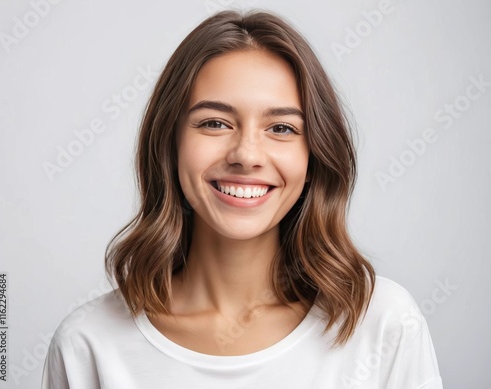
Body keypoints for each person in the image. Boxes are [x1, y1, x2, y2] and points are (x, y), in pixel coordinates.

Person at [42, 9, 443, 389]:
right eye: (215, 123)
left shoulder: (383, 324)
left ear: (315, 153)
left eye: (282, 128)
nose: (246, 155)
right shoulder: (87, 346)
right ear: (171, 143)